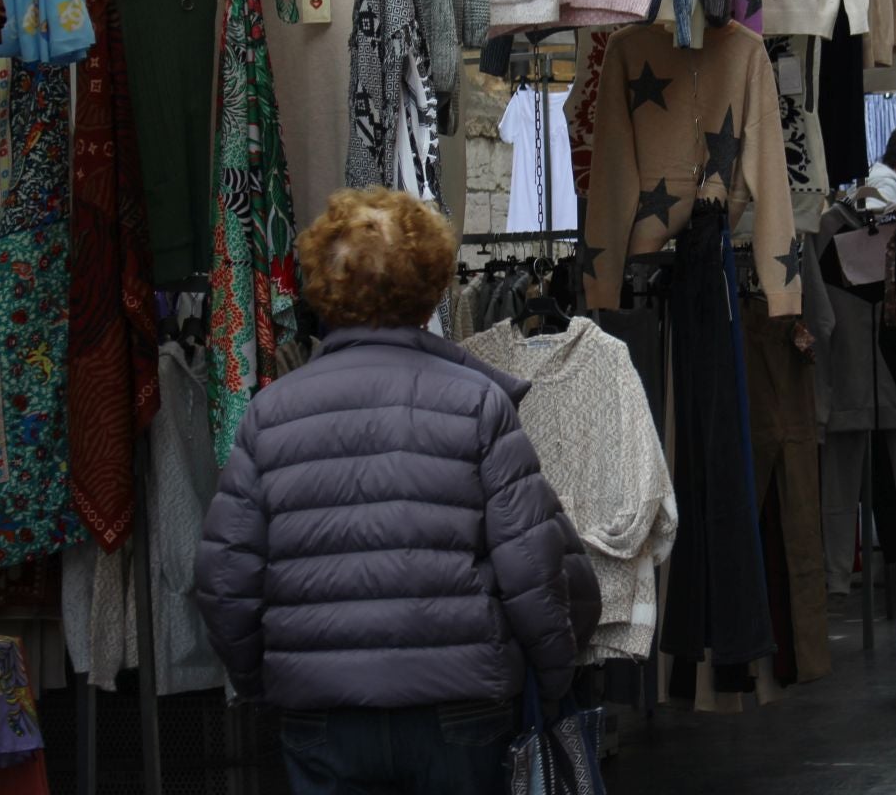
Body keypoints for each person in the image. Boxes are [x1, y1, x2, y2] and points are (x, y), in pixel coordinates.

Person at [195, 188, 600, 795]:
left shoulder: (270, 413)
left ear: (322, 286)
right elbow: (535, 566)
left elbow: (226, 579)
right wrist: (552, 676)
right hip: (459, 704)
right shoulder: (477, 402)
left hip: (322, 713)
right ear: (434, 280)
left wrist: (268, 682)